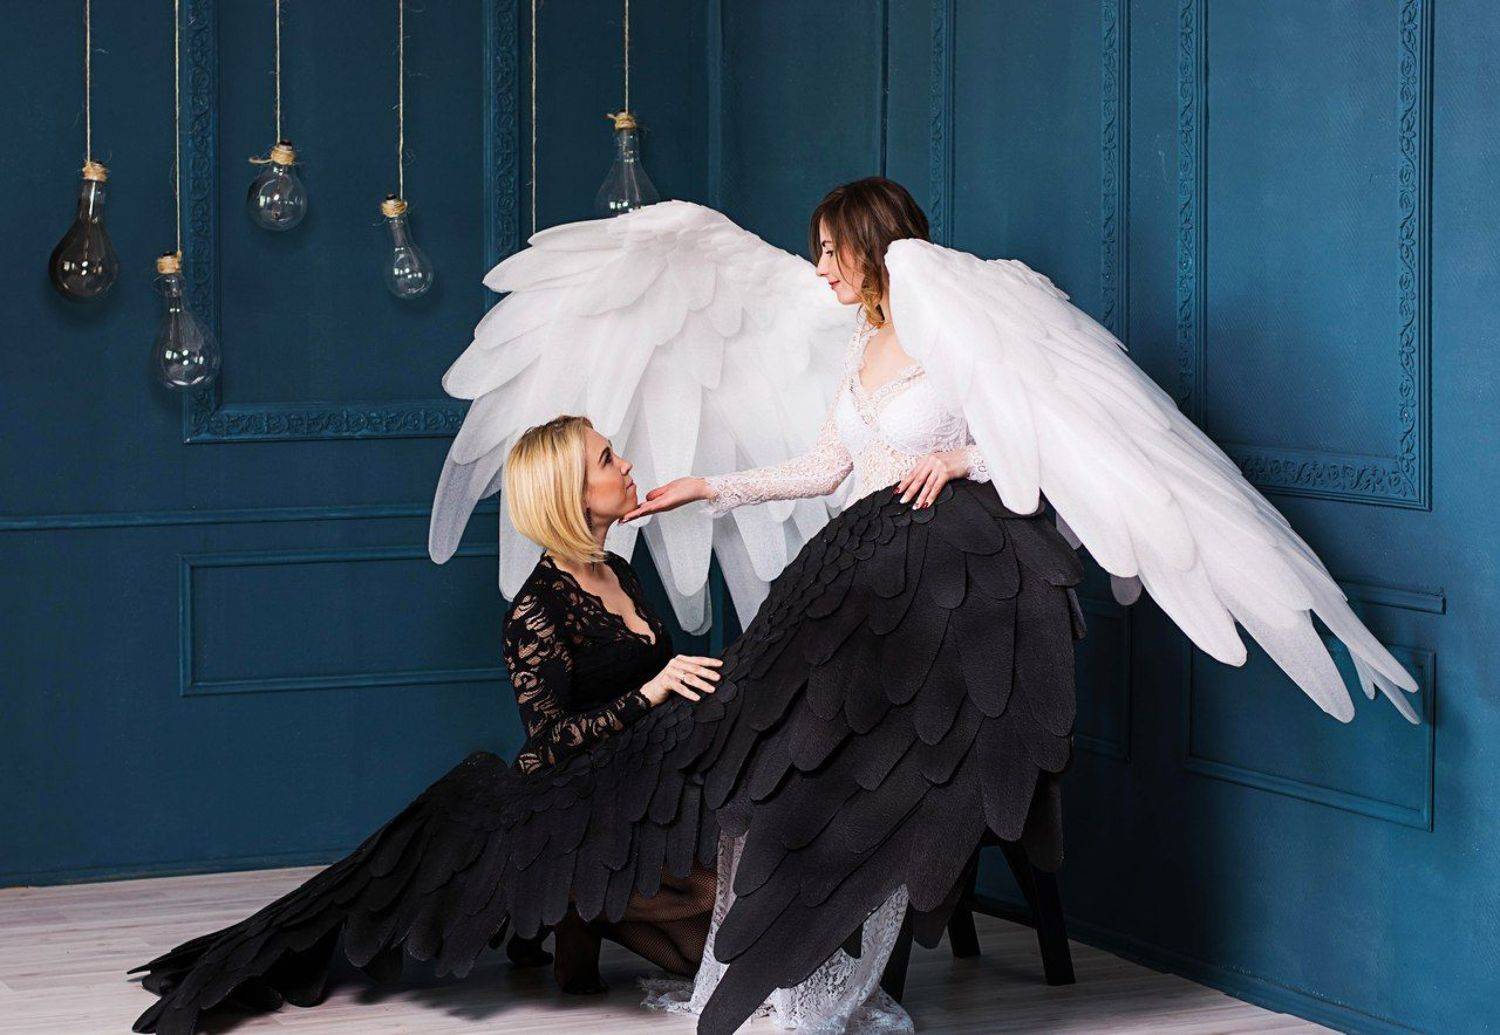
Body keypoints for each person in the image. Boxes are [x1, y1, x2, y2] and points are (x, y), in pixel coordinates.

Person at [127, 415, 723, 1035]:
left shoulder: (619, 572)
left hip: (641, 785)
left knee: (735, 896)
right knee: (709, 915)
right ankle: (575, 902)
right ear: (568, 494)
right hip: (575, 804)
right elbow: (548, 742)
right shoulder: (535, 610)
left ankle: (581, 912)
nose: (625, 465)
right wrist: (650, 694)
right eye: (606, 459)